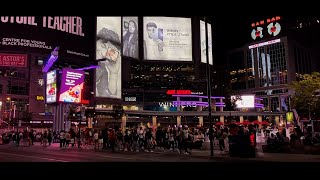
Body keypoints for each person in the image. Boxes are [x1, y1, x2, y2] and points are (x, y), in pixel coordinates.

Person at [96, 28, 121, 98]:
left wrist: (114, 74)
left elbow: (109, 96)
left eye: (111, 52)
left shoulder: (103, 69)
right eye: (103, 46)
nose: (105, 53)